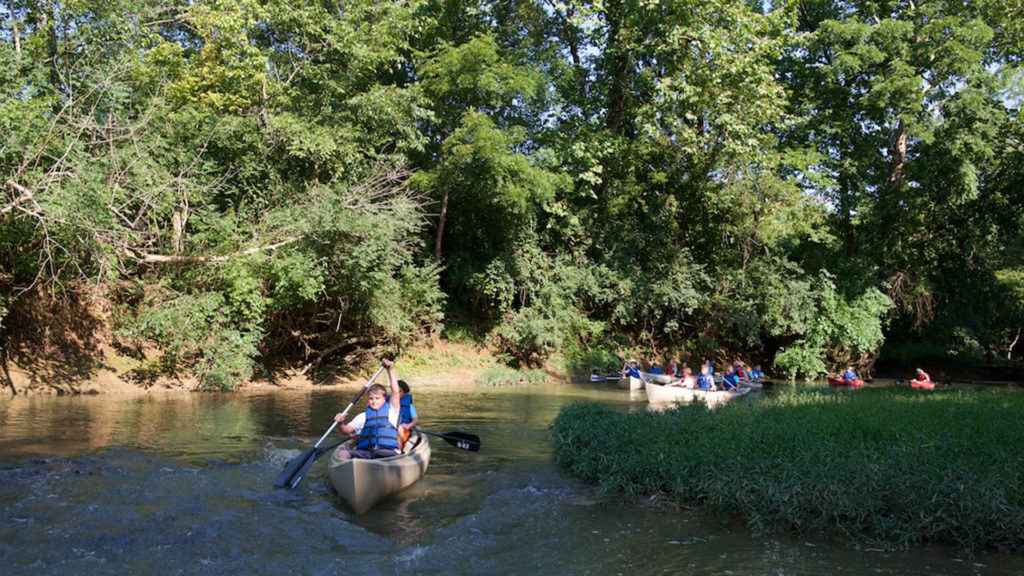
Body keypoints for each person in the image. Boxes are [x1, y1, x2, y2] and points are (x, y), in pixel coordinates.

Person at [333, 359, 403, 460]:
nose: (374, 401)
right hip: (366, 452)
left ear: (384, 399)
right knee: (342, 454)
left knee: (395, 458)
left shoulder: (392, 411)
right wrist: (340, 423)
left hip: (386, 452)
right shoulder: (363, 416)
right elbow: (346, 430)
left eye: (377, 398)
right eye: (371, 398)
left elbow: (395, 391)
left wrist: (389, 370)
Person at [388, 379, 420, 449]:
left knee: (400, 434)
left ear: (405, 393)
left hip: (403, 429)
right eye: (393, 391)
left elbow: (416, 421)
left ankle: (399, 449)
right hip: (388, 428)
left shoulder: (410, 406)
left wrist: (408, 425)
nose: (396, 394)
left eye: (399, 391)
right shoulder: (386, 403)